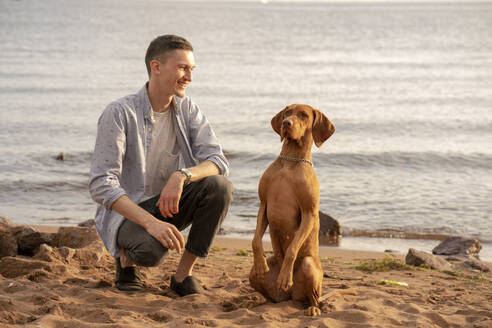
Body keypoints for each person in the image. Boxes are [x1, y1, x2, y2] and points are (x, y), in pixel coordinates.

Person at [89, 34, 232, 296]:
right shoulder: (119, 113)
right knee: (150, 252)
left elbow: (218, 161)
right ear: (156, 67)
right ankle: (125, 262)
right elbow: (101, 185)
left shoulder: (187, 109)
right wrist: (150, 223)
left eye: (191, 69)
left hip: (167, 203)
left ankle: (182, 277)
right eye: (182, 68)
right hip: (128, 212)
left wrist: (182, 175)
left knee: (219, 187)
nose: (189, 77)